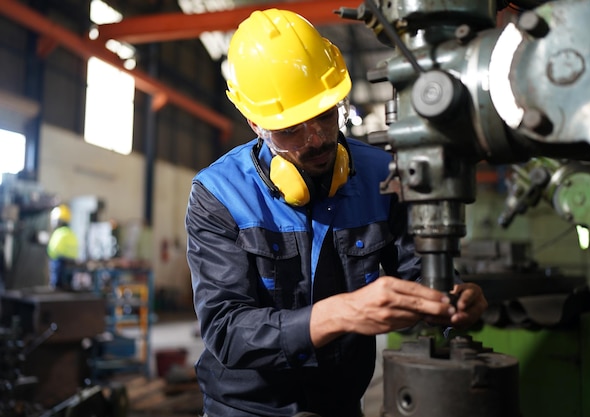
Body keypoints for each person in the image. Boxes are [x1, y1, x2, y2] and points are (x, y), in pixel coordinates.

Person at [185, 8, 487, 417]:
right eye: (291, 128)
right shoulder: (219, 194)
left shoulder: (381, 174)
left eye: (326, 115)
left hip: (342, 405)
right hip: (244, 408)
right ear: (253, 121)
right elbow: (225, 331)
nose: (317, 139)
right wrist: (342, 312)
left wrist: (452, 301)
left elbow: (418, 275)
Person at [47, 203, 79, 289]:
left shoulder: (59, 233)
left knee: (57, 283)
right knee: (68, 284)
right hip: (71, 262)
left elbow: (52, 250)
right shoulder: (72, 233)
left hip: (59, 262)